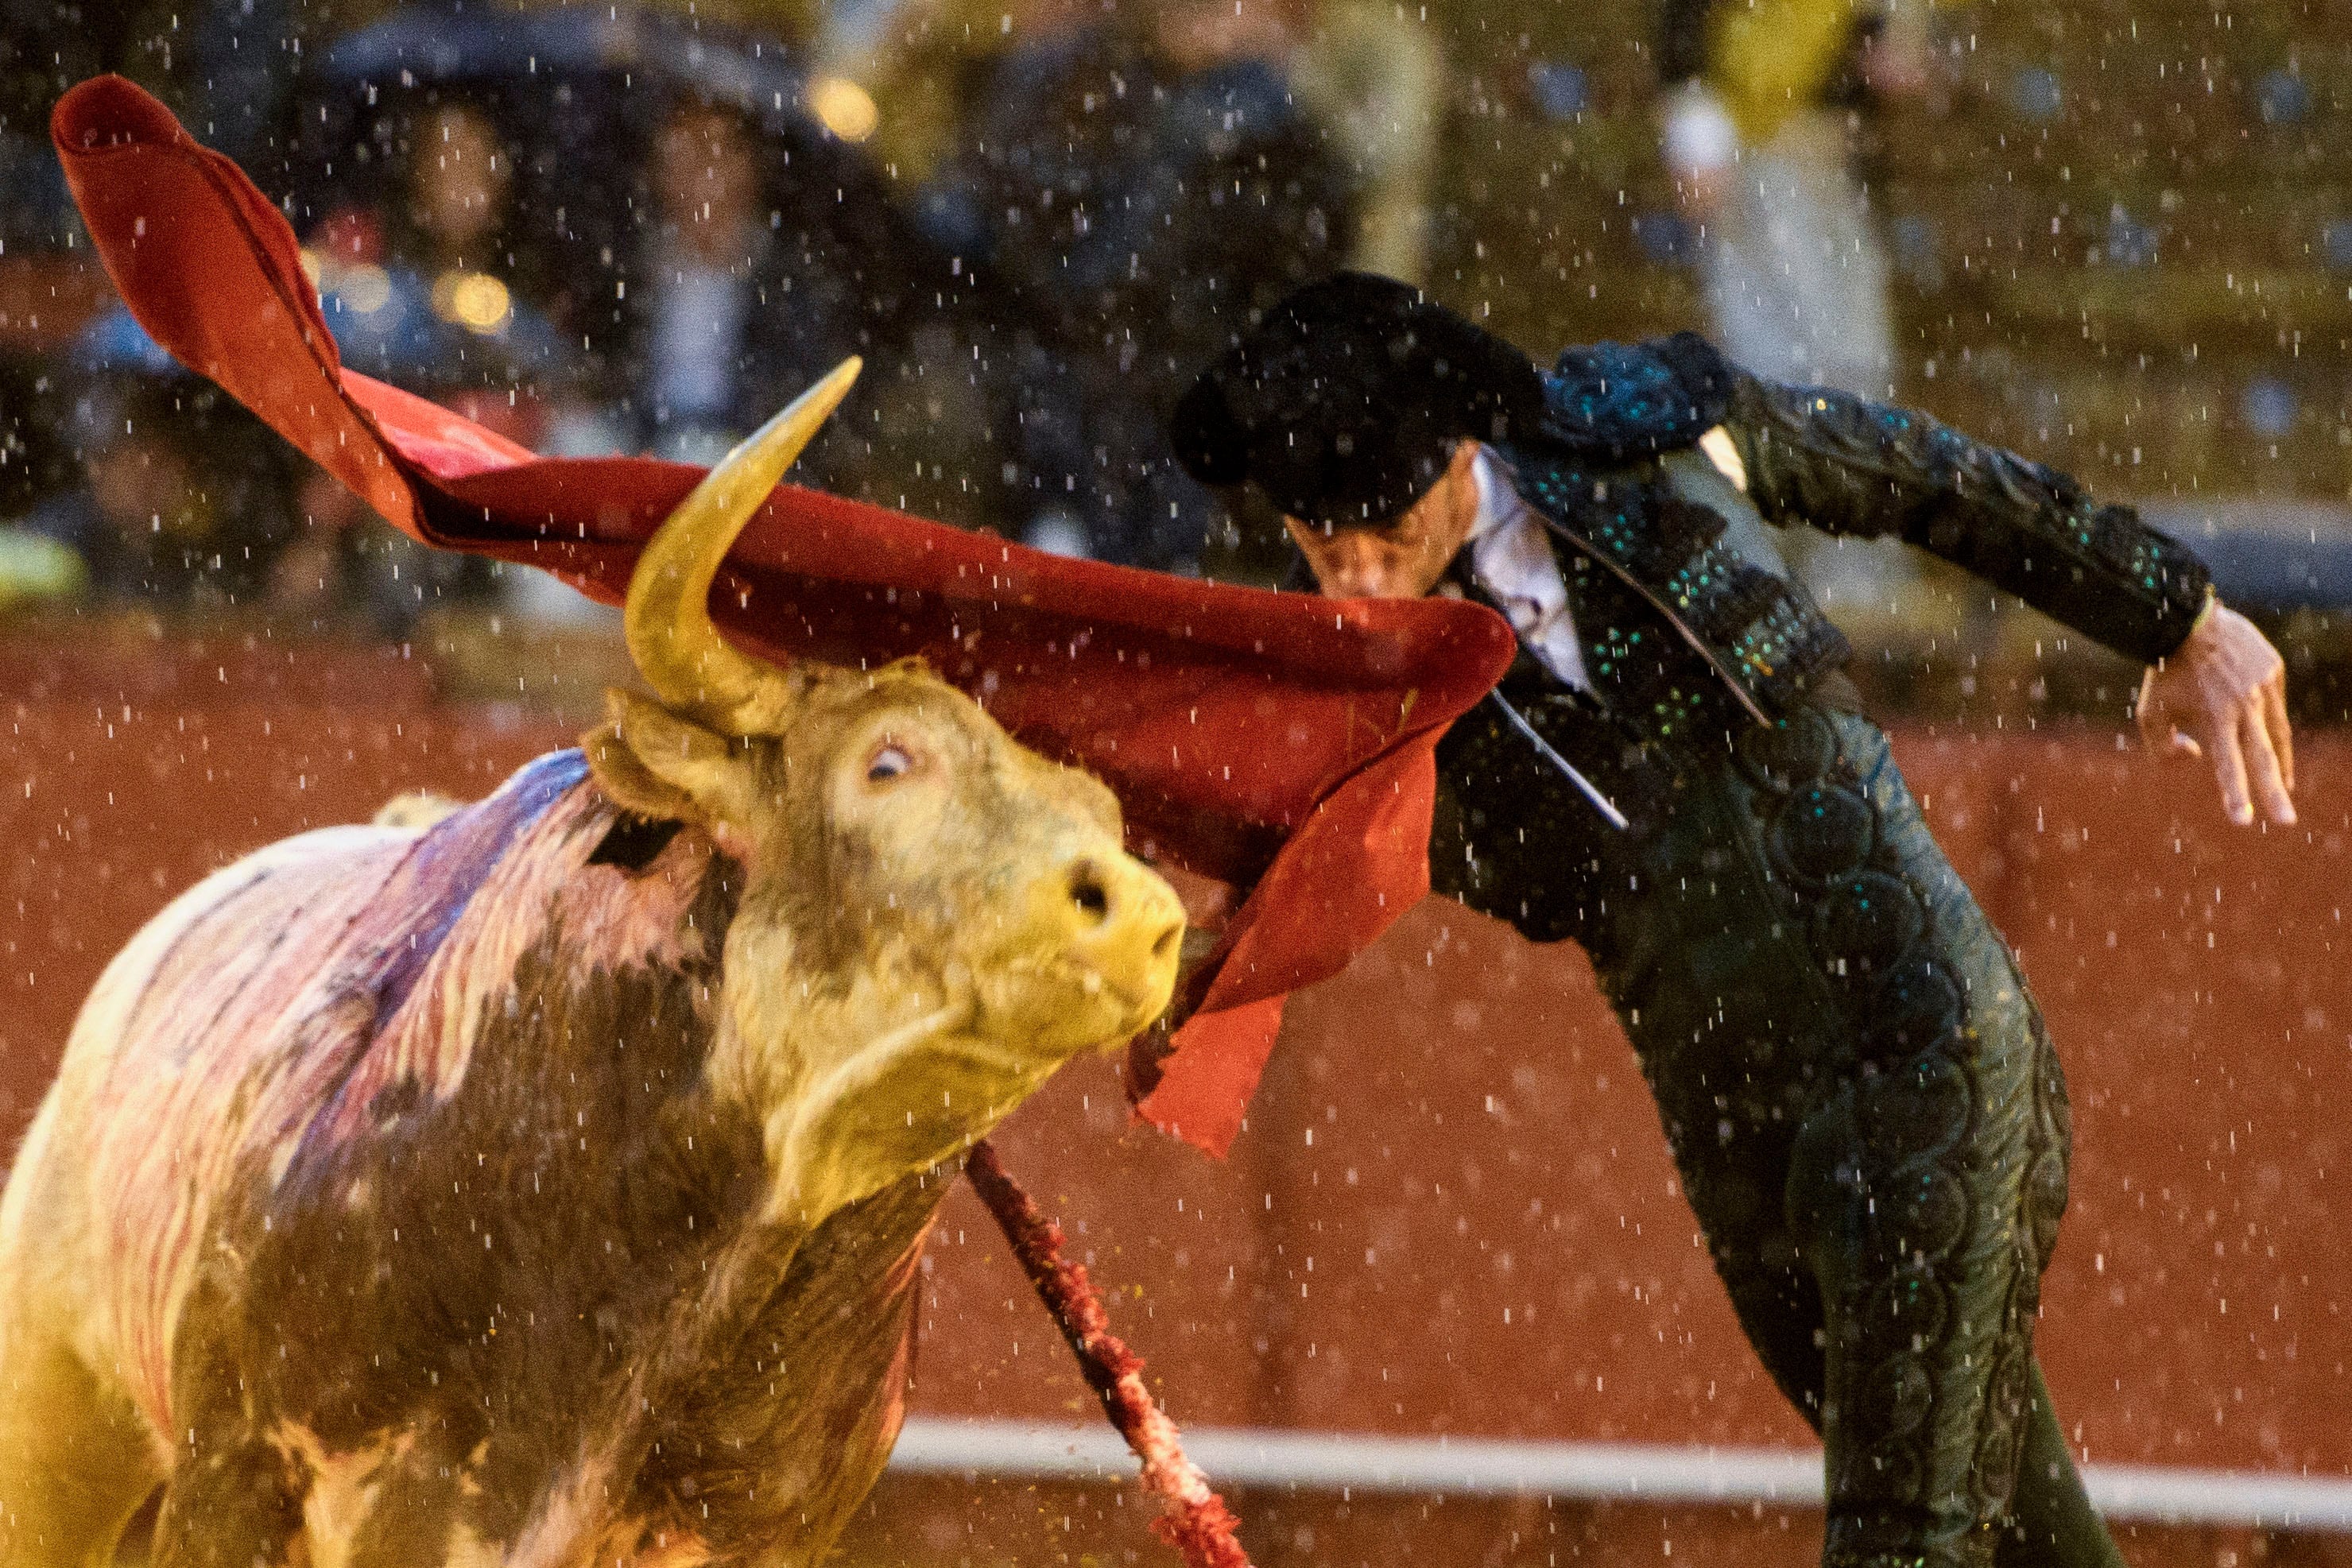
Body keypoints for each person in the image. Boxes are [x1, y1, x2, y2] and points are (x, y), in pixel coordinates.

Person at [1170, 274, 2295, 1568]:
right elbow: (1272, 851)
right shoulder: (1357, 683)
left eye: (1388, 528)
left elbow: (1918, 475)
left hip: (1921, 1053)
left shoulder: (1646, 430)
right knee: (2022, 1533)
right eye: (1322, 544)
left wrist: (2173, 611)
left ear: (1461, 447)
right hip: (1743, 1155)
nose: (1359, 574)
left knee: (1900, 1542)